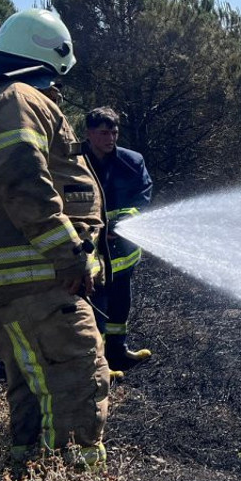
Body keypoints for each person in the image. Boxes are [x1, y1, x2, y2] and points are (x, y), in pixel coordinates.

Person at [0, 8, 109, 466]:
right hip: (37, 272)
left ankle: (27, 469)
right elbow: (23, 178)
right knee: (78, 372)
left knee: (33, 380)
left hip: (11, 274)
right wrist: (70, 252)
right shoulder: (15, 97)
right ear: (49, 55)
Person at [83, 106, 153, 371]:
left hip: (123, 252)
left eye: (114, 132)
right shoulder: (75, 163)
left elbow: (143, 194)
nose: (110, 138)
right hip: (92, 253)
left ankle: (118, 351)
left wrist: (124, 221)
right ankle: (97, 363)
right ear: (89, 133)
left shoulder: (132, 161)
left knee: (120, 304)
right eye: (103, 133)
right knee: (95, 306)